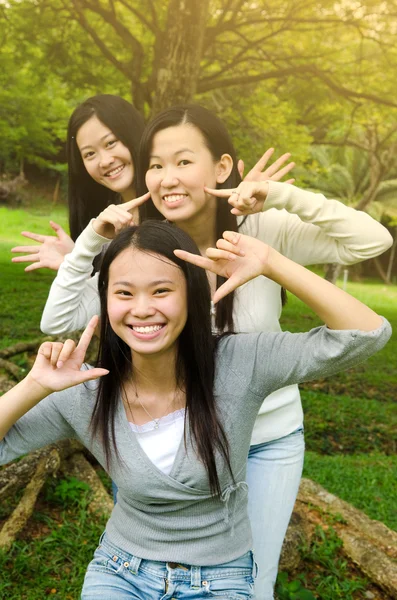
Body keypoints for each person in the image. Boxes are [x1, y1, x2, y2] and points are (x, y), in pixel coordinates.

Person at [37, 105, 393, 598]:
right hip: (161, 440)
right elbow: (57, 323)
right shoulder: (145, 247)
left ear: (222, 168)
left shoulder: (262, 231)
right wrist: (84, 250)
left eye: (184, 162)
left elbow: (372, 241)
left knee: (251, 581)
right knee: (148, 569)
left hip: (266, 439)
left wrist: (279, 207)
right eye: (156, 165)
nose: (167, 178)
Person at [10, 94, 145, 271]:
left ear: (133, 135)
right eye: (89, 154)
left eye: (110, 143)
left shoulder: (172, 211)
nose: (104, 161)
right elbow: (108, 296)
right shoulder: (103, 227)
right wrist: (77, 260)